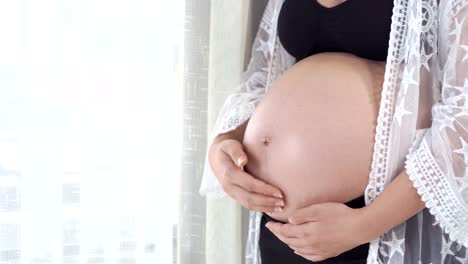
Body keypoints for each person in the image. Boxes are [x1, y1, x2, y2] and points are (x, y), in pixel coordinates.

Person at [200, 0, 468, 263]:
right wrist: (226, 141)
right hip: (284, 231)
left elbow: (462, 119)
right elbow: (264, 76)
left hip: (381, 227)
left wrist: (365, 225)